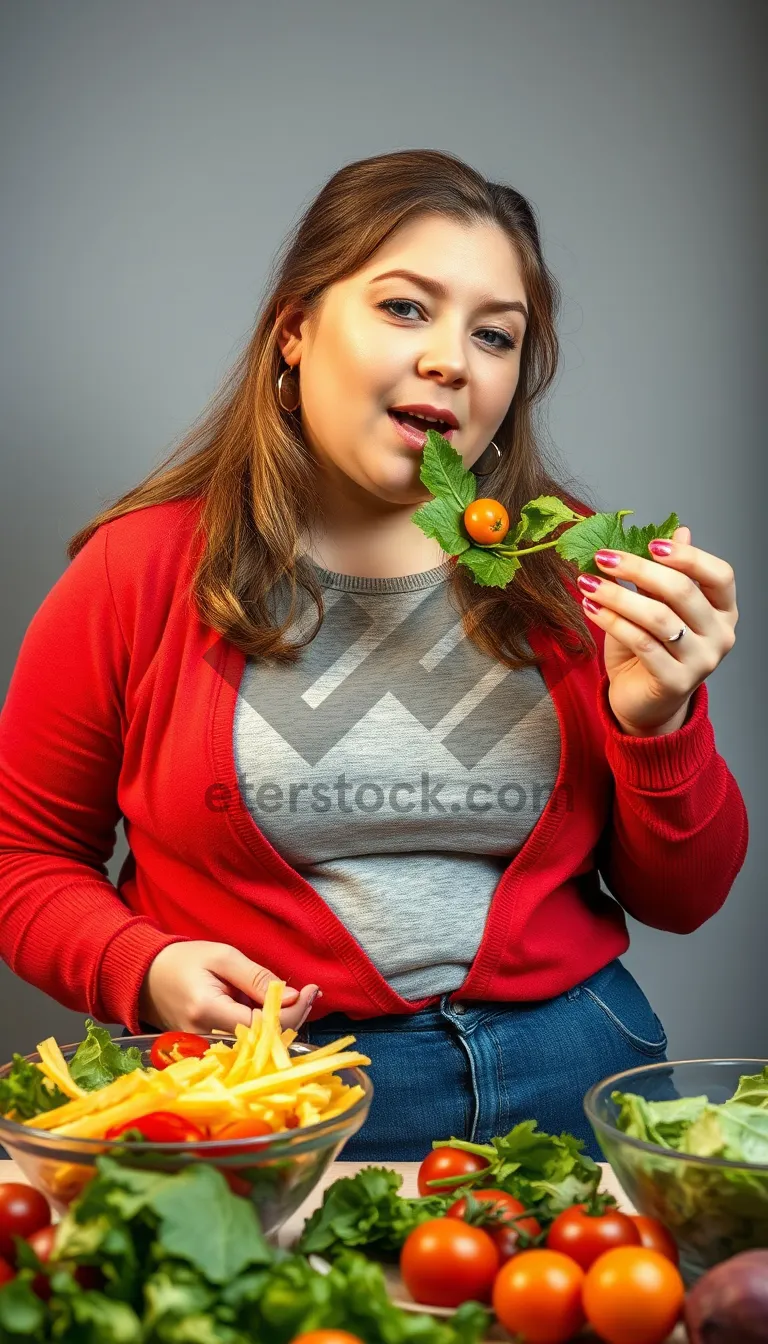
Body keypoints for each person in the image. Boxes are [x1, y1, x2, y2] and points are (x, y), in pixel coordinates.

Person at [0, 149, 747, 1162]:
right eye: (406, 308)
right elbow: (21, 858)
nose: (454, 359)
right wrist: (143, 965)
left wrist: (657, 722)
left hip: (576, 1072)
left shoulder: (576, 565)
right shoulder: (138, 574)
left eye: (495, 335)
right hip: (271, 1100)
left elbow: (686, 899)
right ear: (295, 331)